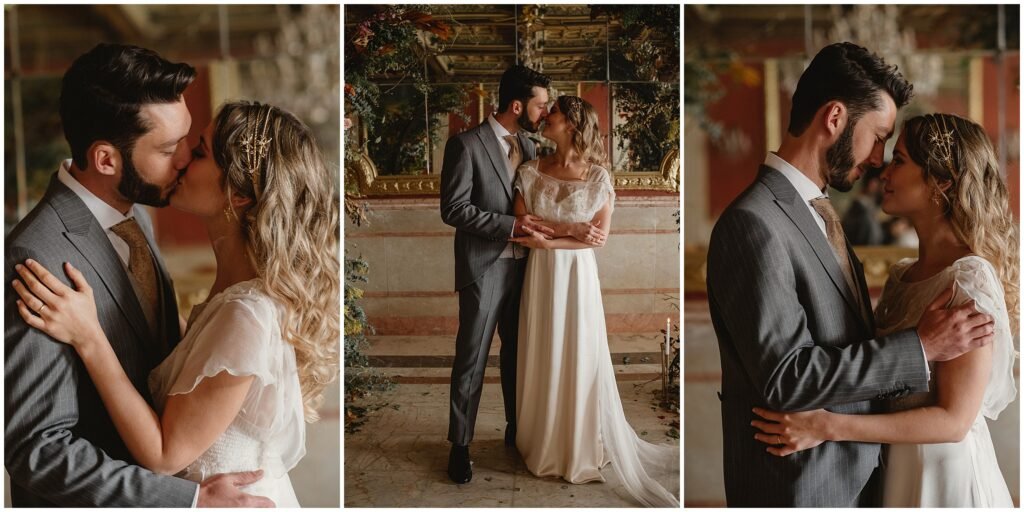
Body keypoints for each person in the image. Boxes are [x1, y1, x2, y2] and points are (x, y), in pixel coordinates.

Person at [704, 42, 995, 507]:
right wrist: (920, 347)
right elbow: (787, 376)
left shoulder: (819, 213)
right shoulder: (754, 222)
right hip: (801, 485)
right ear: (835, 118)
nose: (879, 159)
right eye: (879, 135)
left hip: (864, 478)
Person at [9, 98, 339, 506]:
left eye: (198, 152)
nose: (182, 160)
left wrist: (89, 336)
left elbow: (165, 455)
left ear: (237, 194)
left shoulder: (248, 313)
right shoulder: (233, 291)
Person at [751, 113, 1017, 507]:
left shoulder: (969, 280)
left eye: (900, 160)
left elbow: (954, 421)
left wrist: (826, 426)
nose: (883, 171)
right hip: (895, 470)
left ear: (941, 181)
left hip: (944, 477)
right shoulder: (901, 277)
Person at [510, 96, 679, 507]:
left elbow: (597, 240)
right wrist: (569, 229)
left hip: (578, 280)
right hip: (541, 279)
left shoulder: (600, 178)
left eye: (553, 113)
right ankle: (542, 443)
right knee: (544, 354)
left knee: (580, 357)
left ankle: (580, 447)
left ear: (570, 123)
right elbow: (523, 231)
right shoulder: (529, 171)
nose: (545, 117)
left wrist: (549, 238)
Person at [439, 64, 555, 484]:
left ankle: (516, 431)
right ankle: (460, 444)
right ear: (517, 104)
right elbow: (453, 208)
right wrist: (510, 227)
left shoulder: (532, 145)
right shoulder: (465, 145)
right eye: (541, 105)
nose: (546, 112)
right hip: (484, 266)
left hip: (528, 268)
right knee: (472, 357)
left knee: (519, 355)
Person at [841, 167, 885, 246]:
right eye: (884, 181)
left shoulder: (865, 210)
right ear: (873, 184)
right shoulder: (860, 214)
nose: (886, 187)